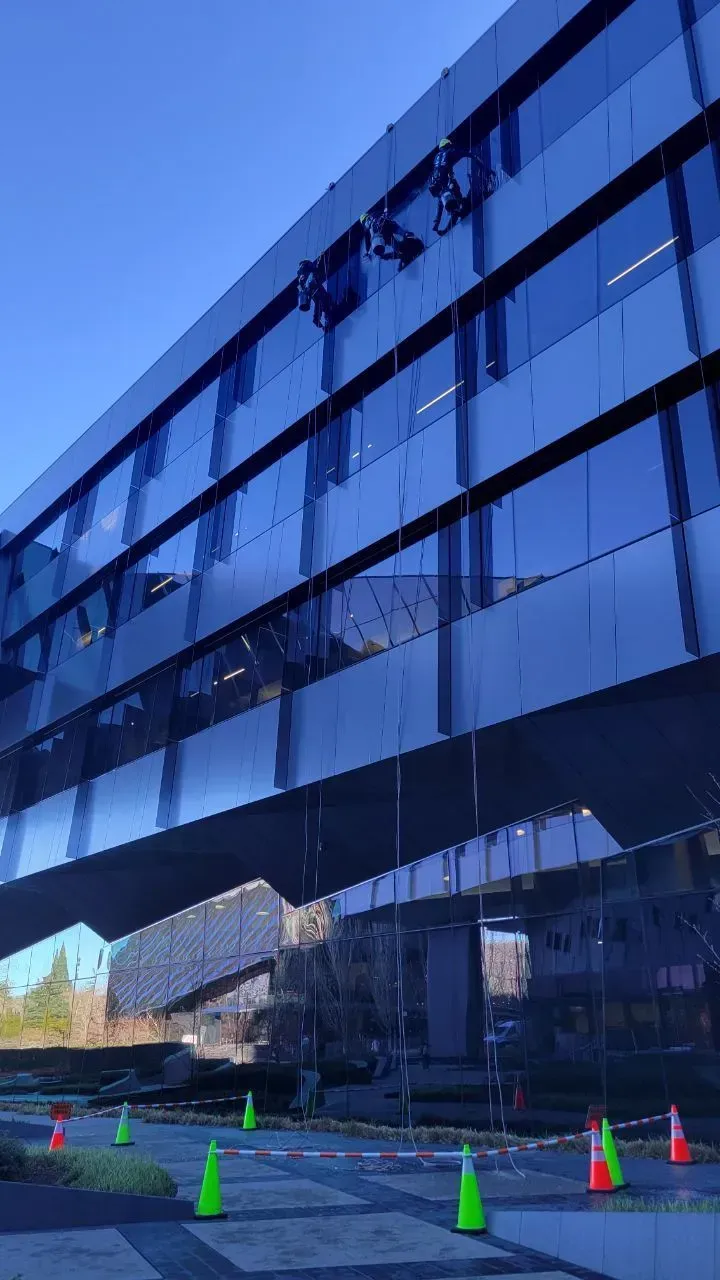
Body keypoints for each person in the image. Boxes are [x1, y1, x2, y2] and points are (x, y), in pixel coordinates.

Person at [429, 137, 496, 235]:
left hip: (436, 186)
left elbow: (440, 203)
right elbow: (464, 153)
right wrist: (480, 163)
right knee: (458, 203)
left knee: (449, 202)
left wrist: (436, 222)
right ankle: (461, 208)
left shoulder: (437, 161)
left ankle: (447, 226)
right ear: (448, 146)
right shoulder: (449, 153)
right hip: (446, 184)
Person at [296, 259, 334, 331]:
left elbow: (301, 284)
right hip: (313, 285)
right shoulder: (306, 266)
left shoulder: (300, 273)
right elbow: (315, 269)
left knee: (319, 301)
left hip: (310, 289)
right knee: (324, 298)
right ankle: (321, 317)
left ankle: (318, 318)